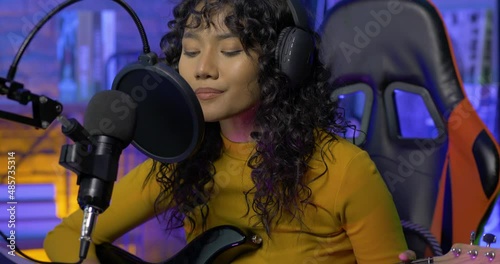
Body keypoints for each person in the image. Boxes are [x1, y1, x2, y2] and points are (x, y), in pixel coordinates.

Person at [44, 0, 416, 263]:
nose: (203, 69)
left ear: (283, 62)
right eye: (190, 51)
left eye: (231, 50)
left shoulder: (345, 171)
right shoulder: (184, 163)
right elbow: (64, 237)